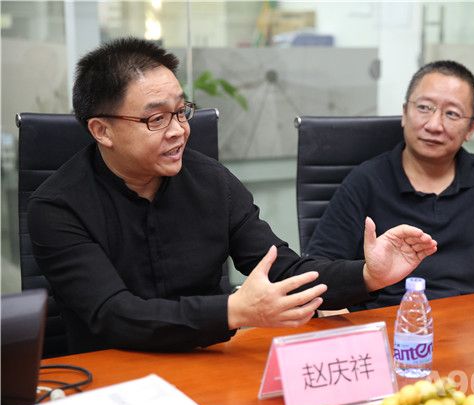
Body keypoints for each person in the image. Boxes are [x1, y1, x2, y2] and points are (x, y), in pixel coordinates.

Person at [27, 37, 437, 354]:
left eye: (181, 111)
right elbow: (114, 314)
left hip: (208, 360)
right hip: (110, 374)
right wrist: (233, 312)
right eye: (156, 119)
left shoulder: (212, 182)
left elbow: (284, 270)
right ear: (102, 130)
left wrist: (367, 275)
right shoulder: (57, 207)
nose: (178, 131)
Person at [306, 60, 474, 311]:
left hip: (469, 321)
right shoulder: (366, 180)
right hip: (387, 321)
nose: (434, 125)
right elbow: (320, 268)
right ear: (405, 113)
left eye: (452, 113)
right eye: (424, 107)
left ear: (471, 128)